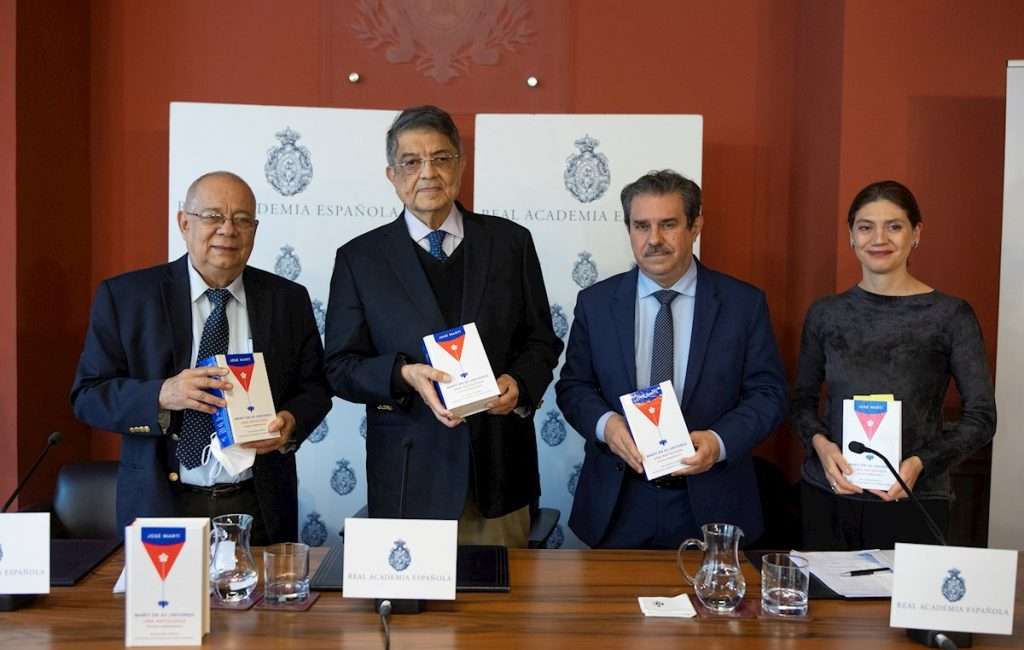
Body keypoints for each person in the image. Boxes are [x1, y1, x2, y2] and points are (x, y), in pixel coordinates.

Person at [324, 105, 563, 548]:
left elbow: (540, 340)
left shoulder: (511, 243)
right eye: (412, 162)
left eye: (442, 158)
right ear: (392, 175)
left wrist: (518, 383)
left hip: (498, 474)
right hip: (408, 479)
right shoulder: (360, 260)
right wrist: (402, 374)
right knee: (416, 617)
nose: (428, 173)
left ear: (461, 164)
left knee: (500, 616)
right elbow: (339, 366)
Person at [71, 171, 331, 544]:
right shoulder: (127, 297)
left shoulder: (287, 300)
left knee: (260, 605)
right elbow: (87, 396)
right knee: (165, 606)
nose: (228, 230)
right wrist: (161, 394)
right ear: (184, 223)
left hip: (258, 507)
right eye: (213, 216)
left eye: (242, 219)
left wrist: (290, 424)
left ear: (254, 230)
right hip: (161, 504)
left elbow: (315, 388)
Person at [556, 170, 787, 548]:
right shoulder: (596, 303)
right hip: (619, 500)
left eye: (668, 224)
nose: (654, 240)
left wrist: (718, 441)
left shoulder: (742, 304)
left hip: (712, 499)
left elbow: (769, 394)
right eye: (641, 226)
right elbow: (574, 386)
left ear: (696, 226)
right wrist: (607, 426)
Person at [791, 180, 997, 550]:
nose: (878, 238)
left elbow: (982, 418)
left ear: (916, 233)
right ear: (852, 236)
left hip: (915, 499)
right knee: (826, 608)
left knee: (900, 608)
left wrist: (921, 462)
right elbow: (801, 401)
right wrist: (821, 447)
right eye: (865, 227)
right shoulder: (827, 314)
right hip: (830, 496)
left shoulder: (951, 315)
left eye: (895, 226)